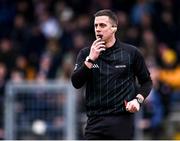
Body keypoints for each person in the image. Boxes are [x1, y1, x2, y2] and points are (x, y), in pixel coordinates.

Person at [71, 9, 152, 140]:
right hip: (94, 121)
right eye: (96, 25)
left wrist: (138, 100)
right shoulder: (86, 54)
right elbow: (76, 83)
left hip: (121, 121)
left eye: (102, 25)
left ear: (114, 28)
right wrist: (91, 60)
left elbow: (147, 82)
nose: (98, 29)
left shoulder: (131, 53)